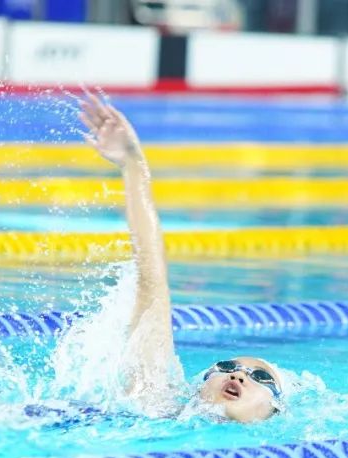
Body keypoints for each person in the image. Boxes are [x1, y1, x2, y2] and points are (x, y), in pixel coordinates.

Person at [76, 92, 284, 423]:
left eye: (260, 377)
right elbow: (152, 283)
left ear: (275, 411)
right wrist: (133, 163)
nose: (238, 375)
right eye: (226, 367)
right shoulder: (156, 402)